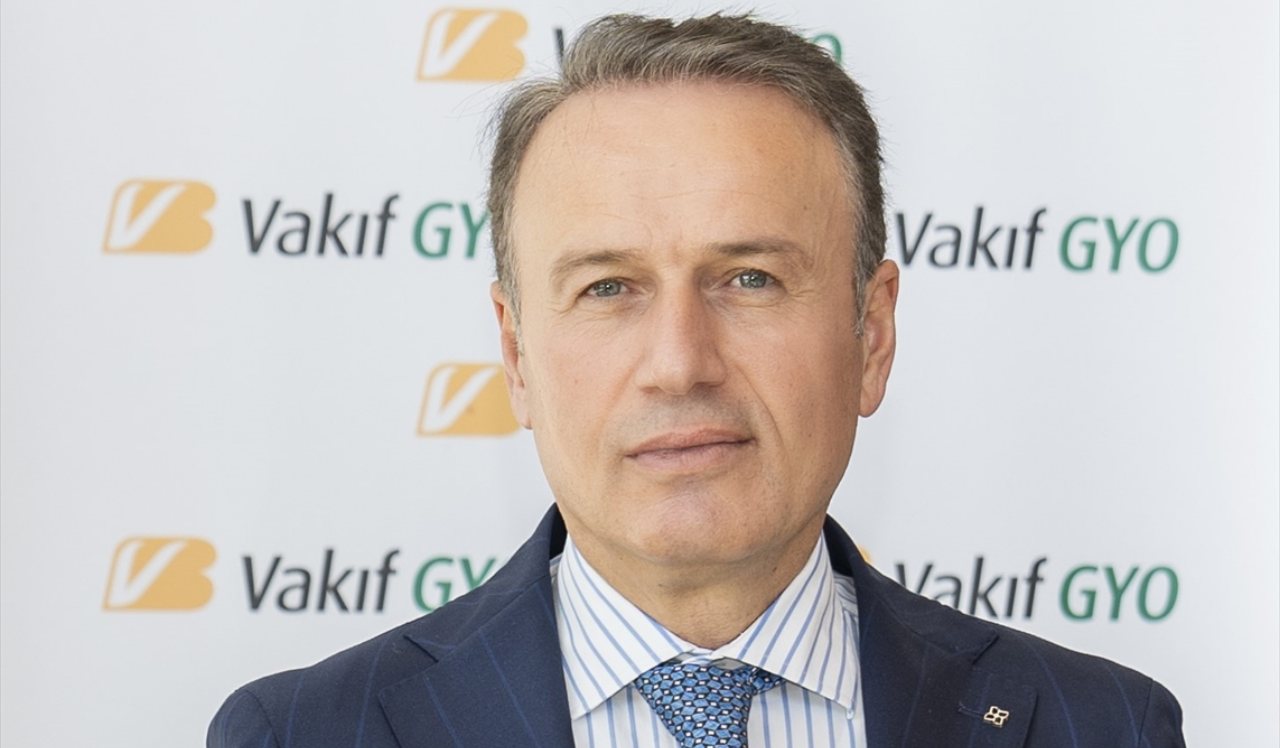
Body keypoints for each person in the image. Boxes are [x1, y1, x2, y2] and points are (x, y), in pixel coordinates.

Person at [209, 13, 1185, 747]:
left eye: (749, 278)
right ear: (515, 355)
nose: (679, 362)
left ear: (872, 334)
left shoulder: (1101, 726)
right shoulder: (304, 734)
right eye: (607, 287)